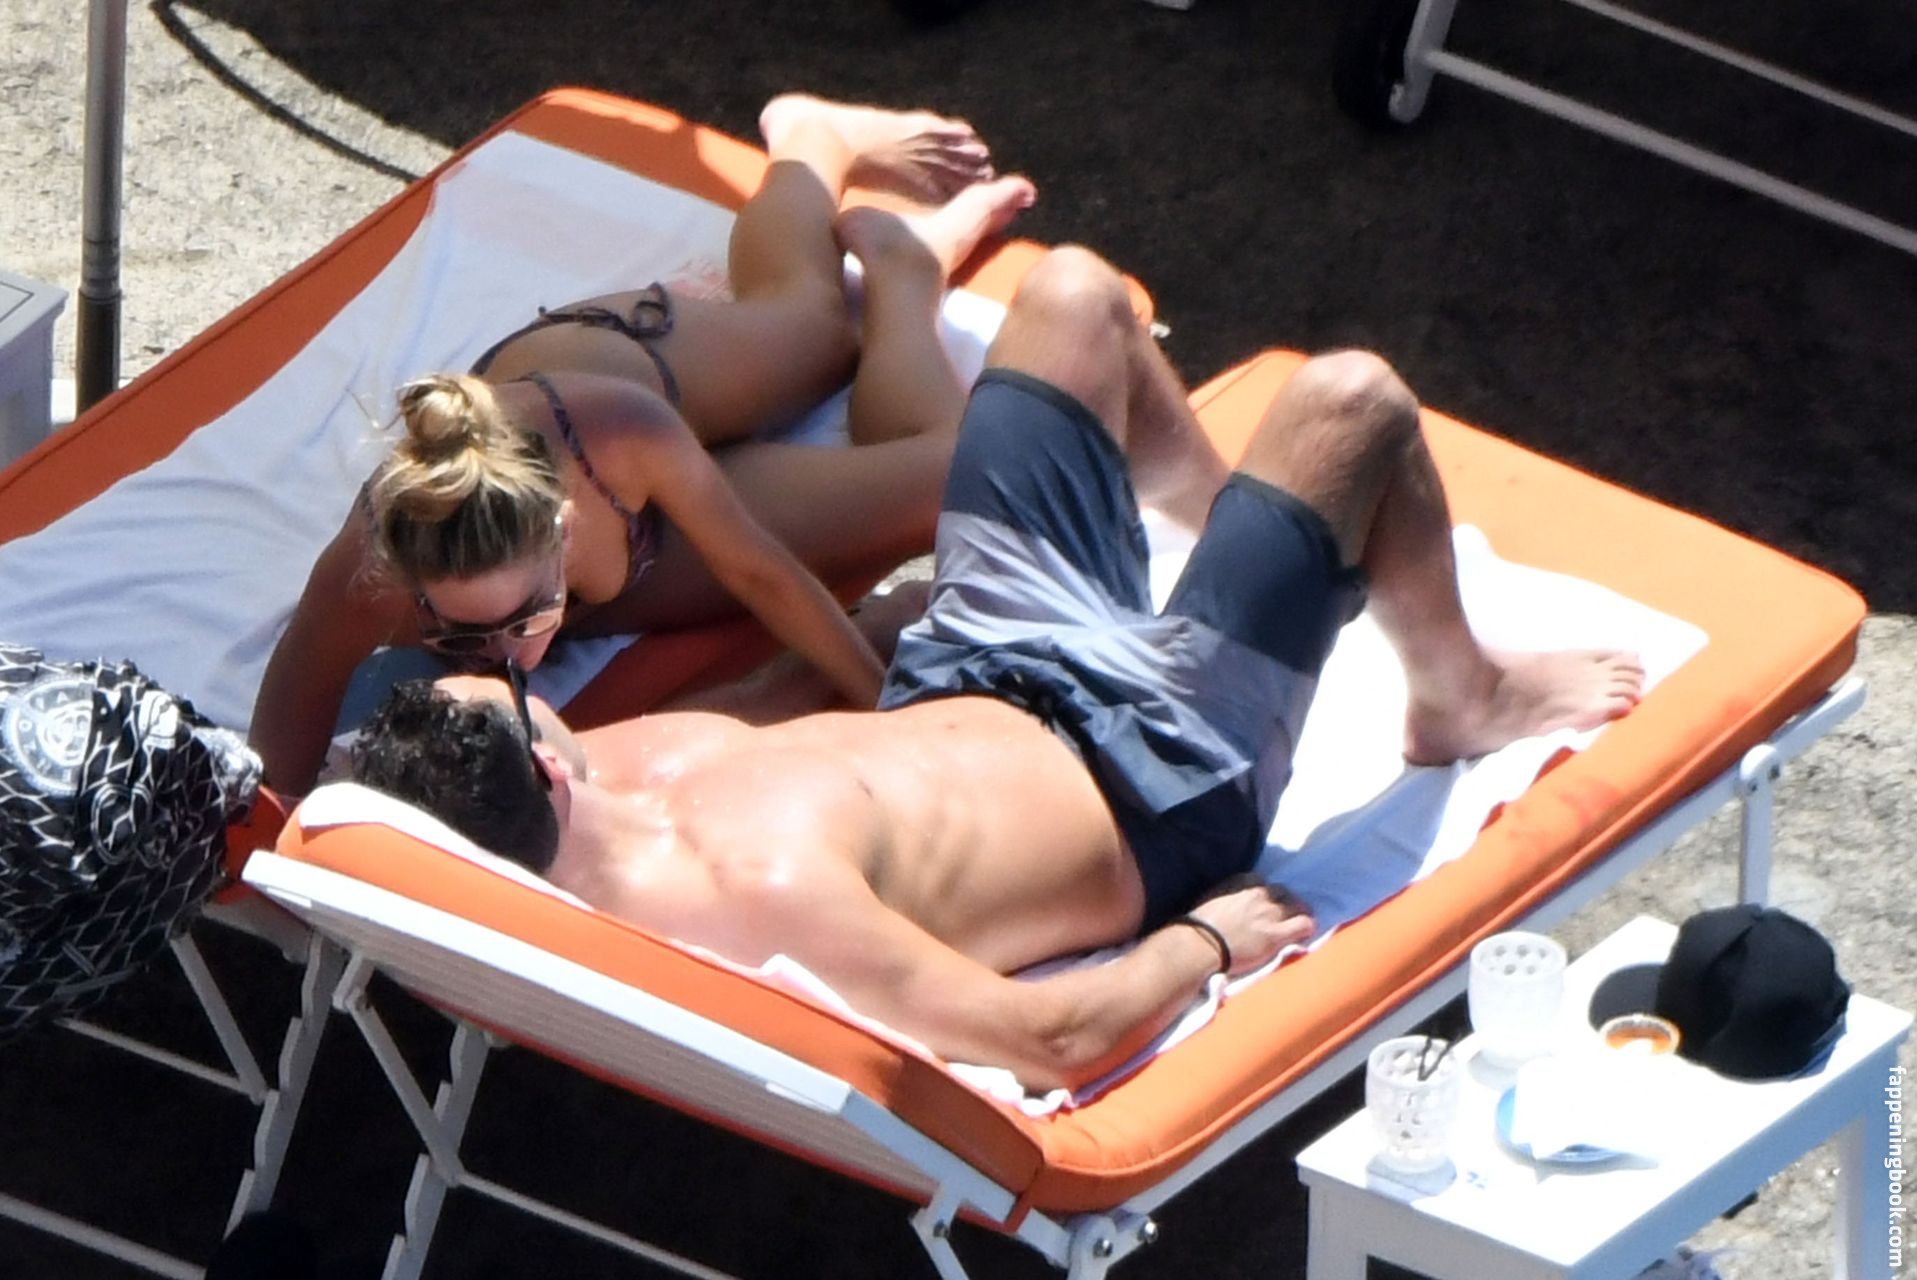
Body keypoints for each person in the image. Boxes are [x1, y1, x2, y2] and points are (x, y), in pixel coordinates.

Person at [349, 246, 1645, 1093]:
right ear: (540, 783)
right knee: (1355, 402)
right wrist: (1203, 941)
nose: (532, 688)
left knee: (1076, 297)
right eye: (516, 700)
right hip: (1156, 766)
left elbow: (757, 718)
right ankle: (1461, 693)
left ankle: (1225, 535)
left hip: (974, 662)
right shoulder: (760, 901)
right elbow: (1047, 1040)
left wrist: (877, 639)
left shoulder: (593, 777)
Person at [250, 93, 1038, 794]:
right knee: (940, 476)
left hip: (615, 375)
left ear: (563, 532)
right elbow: (272, 774)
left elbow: (763, 574)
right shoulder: (374, 576)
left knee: (817, 332)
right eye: (459, 636)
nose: (501, 658)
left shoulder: (619, 429)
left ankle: (820, 148)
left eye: (524, 620)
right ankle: (902, 266)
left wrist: (887, 715)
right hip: (625, 536)